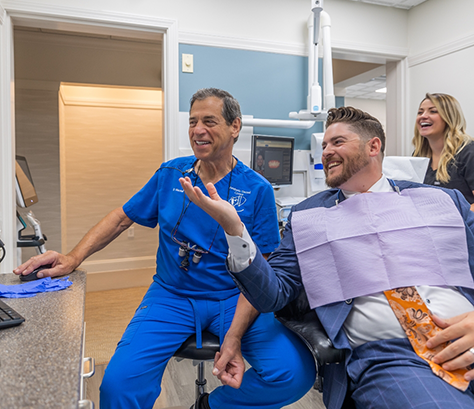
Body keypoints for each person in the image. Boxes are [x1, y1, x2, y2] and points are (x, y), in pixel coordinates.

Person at [14, 88, 316, 409]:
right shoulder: (171, 173)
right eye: (193, 122)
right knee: (117, 385)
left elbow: (262, 277)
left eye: (210, 121)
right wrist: (72, 257)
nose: (198, 130)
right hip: (171, 296)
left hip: (235, 299)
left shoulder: (257, 189)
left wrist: (234, 336)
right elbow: (121, 218)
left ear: (234, 127)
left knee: (294, 373)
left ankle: (211, 406)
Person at [180, 106, 474, 409]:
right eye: (324, 146)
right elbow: (273, 295)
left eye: (337, 142)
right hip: (395, 356)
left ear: (373, 146)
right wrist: (235, 230)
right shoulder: (310, 217)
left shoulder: (441, 201)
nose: (326, 152)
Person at [413, 92, 474, 210]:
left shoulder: (469, 152)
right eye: (420, 112)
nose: (423, 116)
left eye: (433, 111)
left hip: (462, 226)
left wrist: (450, 220)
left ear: (449, 117)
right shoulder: (418, 156)